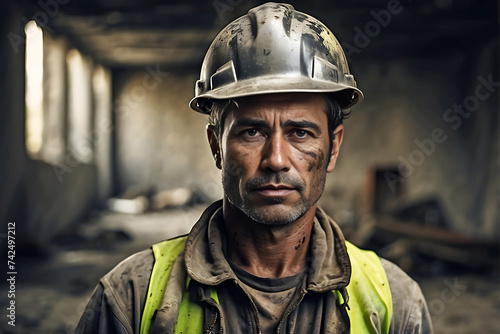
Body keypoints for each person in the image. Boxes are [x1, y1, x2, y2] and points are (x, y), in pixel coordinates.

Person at [76, 3, 433, 333]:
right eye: (251, 132)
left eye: (300, 133)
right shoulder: (131, 296)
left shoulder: (393, 301)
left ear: (334, 146)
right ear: (217, 146)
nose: (276, 159)